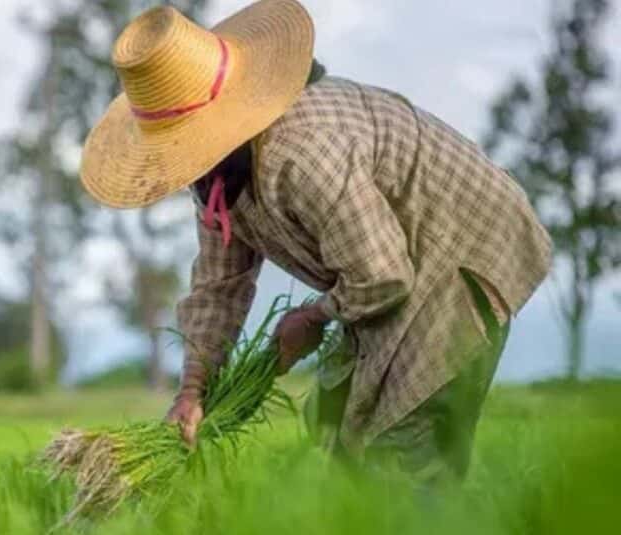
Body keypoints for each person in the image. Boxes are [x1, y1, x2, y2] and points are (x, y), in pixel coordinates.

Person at [78, 0, 552, 485]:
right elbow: (218, 286)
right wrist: (192, 391)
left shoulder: (302, 151)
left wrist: (312, 317)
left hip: (455, 249)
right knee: (334, 426)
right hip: (388, 265)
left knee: (408, 448)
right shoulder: (216, 175)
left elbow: (381, 273)